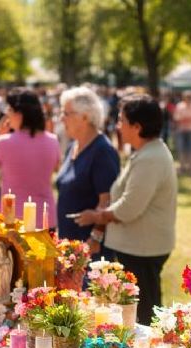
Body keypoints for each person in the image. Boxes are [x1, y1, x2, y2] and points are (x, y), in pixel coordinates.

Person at [74, 93, 177, 324]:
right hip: (139, 247)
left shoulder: (151, 158)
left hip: (143, 249)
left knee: (143, 314)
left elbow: (130, 207)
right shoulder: (146, 153)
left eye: (121, 120)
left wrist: (96, 216)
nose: (118, 126)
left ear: (137, 126)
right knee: (136, 310)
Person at [55, 87, 120, 256]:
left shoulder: (102, 151)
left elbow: (108, 201)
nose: (61, 118)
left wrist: (95, 237)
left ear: (85, 117)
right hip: (68, 243)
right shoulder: (72, 146)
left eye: (66, 113)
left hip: (89, 248)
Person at [0, 88, 60, 229]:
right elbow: (56, 168)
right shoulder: (53, 141)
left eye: (9, 110)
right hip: (45, 218)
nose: (7, 115)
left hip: (12, 221)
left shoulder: (4, 142)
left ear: (19, 114)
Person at [173, 90, 191, 173]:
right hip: (181, 130)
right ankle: (182, 167)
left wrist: (190, 118)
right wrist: (183, 118)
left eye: (190, 97)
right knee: (181, 149)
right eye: (187, 97)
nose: (188, 99)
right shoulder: (179, 106)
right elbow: (176, 118)